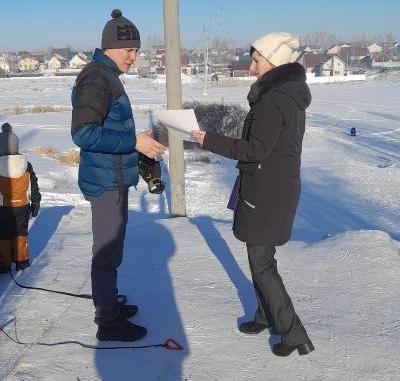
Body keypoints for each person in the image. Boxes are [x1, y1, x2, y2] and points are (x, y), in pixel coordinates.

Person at [192, 32, 314, 357]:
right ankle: (265, 315)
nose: (251, 66)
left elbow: (255, 150)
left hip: (267, 195)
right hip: (271, 189)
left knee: (262, 264)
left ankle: (293, 333)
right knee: (258, 259)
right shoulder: (283, 94)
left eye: (256, 59)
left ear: (273, 60)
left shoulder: (275, 100)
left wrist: (209, 139)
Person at [71, 9, 166, 342]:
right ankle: (108, 322)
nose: (134, 57)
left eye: (137, 50)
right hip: (105, 182)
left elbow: (106, 126)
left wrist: (136, 143)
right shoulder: (97, 78)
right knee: (106, 254)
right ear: (109, 47)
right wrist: (133, 140)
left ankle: (108, 303)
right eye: (129, 49)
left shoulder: (107, 75)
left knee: (111, 252)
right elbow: (83, 133)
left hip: (113, 178)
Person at [0, 123, 41, 273]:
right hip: (22, 206)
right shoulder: (25, 164)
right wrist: (36, 201)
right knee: (20, 233)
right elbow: (33, 184)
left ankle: (4, 263)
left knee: (3, 234)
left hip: (2, 207)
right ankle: (22, 261)